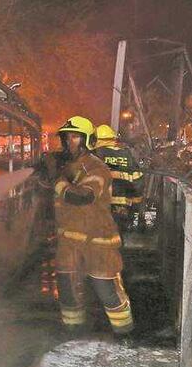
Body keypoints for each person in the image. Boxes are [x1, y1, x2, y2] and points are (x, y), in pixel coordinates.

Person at [52, 116, 133, 335]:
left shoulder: (96, 168)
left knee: (107, 291)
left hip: (98, 241)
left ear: (88, 140)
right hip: (69, 242)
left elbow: (82, 197)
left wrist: (57, 182)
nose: (70, 141)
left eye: (76, 136)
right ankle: (72, 332)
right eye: (67, 137)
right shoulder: (69, 167)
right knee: (68, 292)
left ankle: (125, 334)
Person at [92, 124, 144, 231]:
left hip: (99, 205)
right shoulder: (127, 154)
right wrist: (136, 203)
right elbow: (138, 179)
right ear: (113, 138)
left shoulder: (94, 155)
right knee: (118, 234)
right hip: (122, 206)